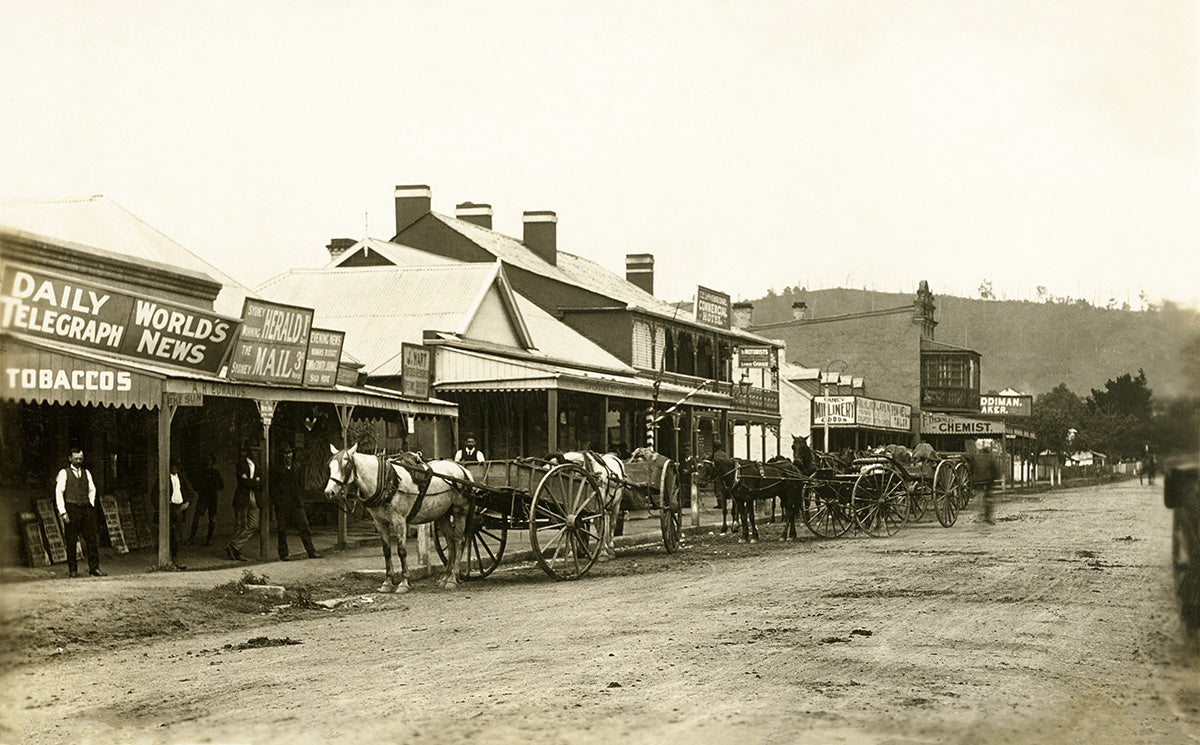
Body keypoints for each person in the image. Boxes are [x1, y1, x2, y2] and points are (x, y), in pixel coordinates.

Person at [55, 447, 105, 578]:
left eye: (80, 459)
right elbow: (59, 493)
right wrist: (63, 512)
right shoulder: (64, 473)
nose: (78, 461)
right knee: (71, 540)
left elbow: (92, 489)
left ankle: (94, 568)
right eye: (76, 458)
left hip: (85, 509)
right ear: (70, 458)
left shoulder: (87, 473)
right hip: (71, 509)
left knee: (91, 539)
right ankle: (73, 570)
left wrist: (91, 504)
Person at [272, 446, 320, 561]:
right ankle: (284, 554)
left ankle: (311, 551)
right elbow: (274, 486)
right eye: (285, 453)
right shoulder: (276, 469)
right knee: (282, 529)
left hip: (295, 502)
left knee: (304, 526)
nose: (287, 456)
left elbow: (301, 484)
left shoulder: (297, 467)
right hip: (283, 502)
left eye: (289, 453)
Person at [224, 447, 261, 562]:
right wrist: (255, 481)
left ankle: (233, 545)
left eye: (257, 450)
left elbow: (262, 482)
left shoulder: (258, 466)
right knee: (240, 525)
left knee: (254, 525)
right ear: (249, 452)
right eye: (254, 450)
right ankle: (237, 551)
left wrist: (251, 482)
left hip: (254, 497)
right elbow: (243, 482)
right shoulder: (241, 465)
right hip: (242, 497)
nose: (256, 453)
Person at [159, 458, 194, 568]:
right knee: (169, 532)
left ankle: (175, 557)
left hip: (178, 508)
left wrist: (187, 503)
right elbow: (155, 494)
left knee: (177, 533)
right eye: (173, 467)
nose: (175, 469)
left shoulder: (181, 478)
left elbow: (190, 491)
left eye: (176, 467)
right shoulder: (164, 478)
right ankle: (167, 559)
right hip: (168, 507)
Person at [187, 454, 224, 546]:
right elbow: (195, 485)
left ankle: (209, 539)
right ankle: (192, 538)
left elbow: (221, 485)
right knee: (196, 518)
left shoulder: (215, 473)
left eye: (209, 459)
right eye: (206, 459)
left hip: (212, 498)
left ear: (212, 461)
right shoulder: (200, 473)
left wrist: (214, 486)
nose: (207, 461)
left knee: (212, 519)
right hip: (203, 498)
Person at [976, 446, 999, 524]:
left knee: (980, 496)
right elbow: (996, 471)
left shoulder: (978, 460)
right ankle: (988, 516)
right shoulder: (991, 460)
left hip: (978, 481)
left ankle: (981, 514)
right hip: (988, 481)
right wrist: (996, 478)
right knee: (988, 498)